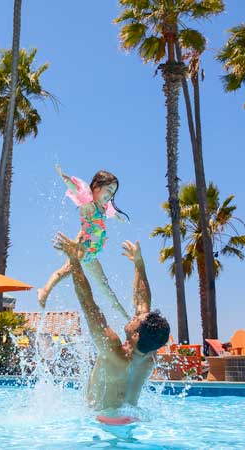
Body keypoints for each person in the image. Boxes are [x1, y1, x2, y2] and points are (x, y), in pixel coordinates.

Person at [53, 233, 170, 418]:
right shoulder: (150, 353)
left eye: (136, 319)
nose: (134, 317)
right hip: (130, 420)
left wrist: (74, 259)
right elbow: (143, 303)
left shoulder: (114, 351)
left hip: (101, 423)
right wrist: (139, 264)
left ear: (136, 335)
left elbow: (88, 304)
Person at [38, 166, 128, 322]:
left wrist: (118, 217)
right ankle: (44, 290)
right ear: (96, 187)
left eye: (112, 193)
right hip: (82, 248)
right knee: (63, 272)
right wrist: (64, 177)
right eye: (108, 191)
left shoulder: (104, 208)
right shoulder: (88, 205)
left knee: (105, 287)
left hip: (92, 254)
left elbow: (111, 213)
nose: (110, 195)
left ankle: (125, 316)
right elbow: (76, 189)